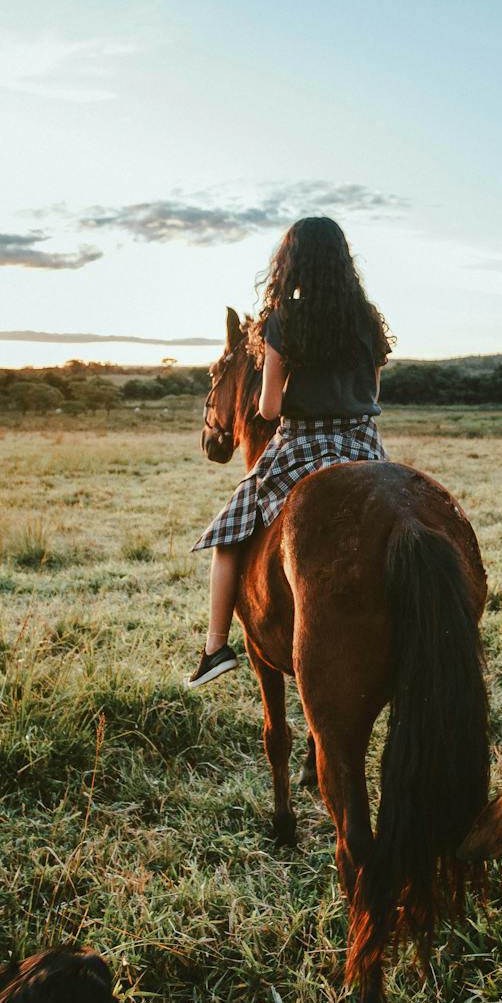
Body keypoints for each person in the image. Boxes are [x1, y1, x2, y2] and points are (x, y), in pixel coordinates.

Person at [187, 216, 392, 684]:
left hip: (301, 442)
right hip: (364, 445)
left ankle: (216, 648)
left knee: (228, 534)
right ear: (344, 263)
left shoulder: (284, 320)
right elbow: (372, 395)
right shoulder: (366, 319)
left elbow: (270, 406)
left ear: (291, 262)